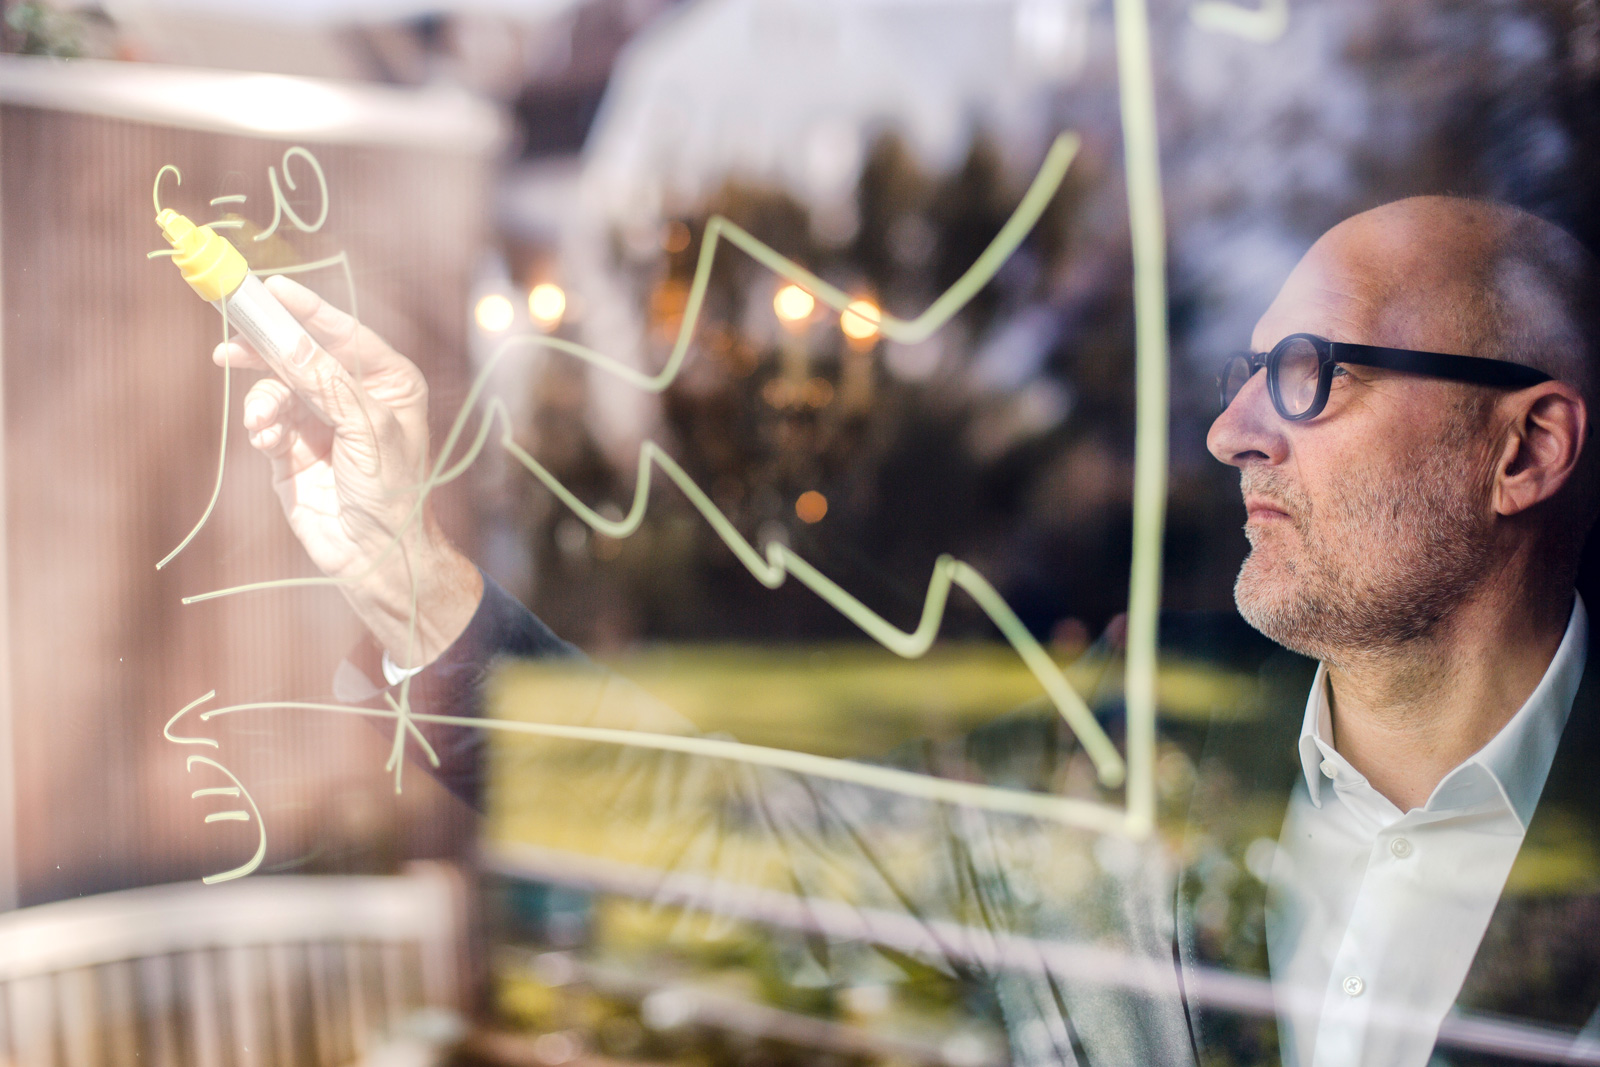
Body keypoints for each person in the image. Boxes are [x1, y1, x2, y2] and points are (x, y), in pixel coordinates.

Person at [216, 195, 1600, 1066]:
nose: (1232, 432)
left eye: (1309, 378)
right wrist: (416, 589)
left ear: (1524, 449)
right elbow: (746, 847)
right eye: (1246, 377)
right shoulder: (1110, 766)